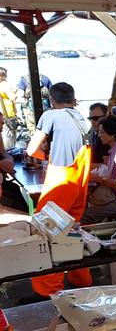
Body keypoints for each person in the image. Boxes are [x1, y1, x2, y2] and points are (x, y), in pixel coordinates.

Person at [22, 82, 92, 303]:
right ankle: (81, 281)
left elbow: (32, 149)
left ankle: (46, 291)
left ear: (52, 100)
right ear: (73, 99)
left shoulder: (51, 115)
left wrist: (47, 157)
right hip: (81, 180)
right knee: (73, 230)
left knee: (46, 231)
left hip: (61, 177)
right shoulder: (83, 119)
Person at [81, 115, 116, 225]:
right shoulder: (114, 151)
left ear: (112, 135)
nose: (99, 135)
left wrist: (98, 179)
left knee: (85, 215)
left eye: (102, 132)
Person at [0, 68, 19, 149]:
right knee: (9, 137)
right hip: (8, 115)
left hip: (2, 114)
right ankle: (9, 152)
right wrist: (15, 91)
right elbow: (12, 97)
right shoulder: (4, 84)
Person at [87, 102, 110, 168]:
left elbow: (108, 165)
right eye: (90, 119)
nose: (92, 121)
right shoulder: (93, 132)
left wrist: (86, 165)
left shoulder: (108, 137)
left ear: (107, 116)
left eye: (95, 118)